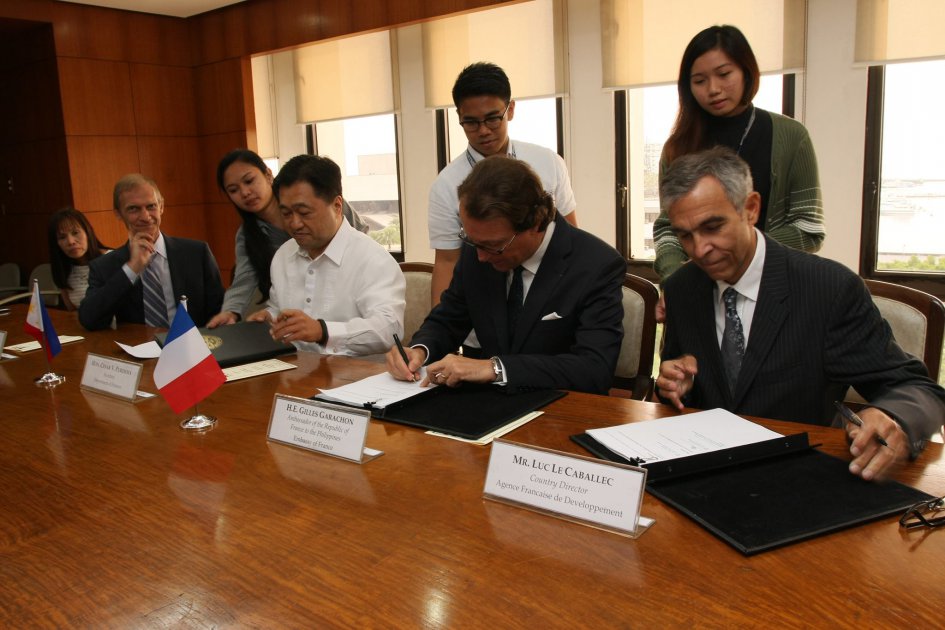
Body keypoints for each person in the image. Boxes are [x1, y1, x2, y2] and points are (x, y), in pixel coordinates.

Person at [655, 147, 945, 481]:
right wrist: (677, 385)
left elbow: (918, 389)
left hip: (800, 478)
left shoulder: (828, 289)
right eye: (685, 235)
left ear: (750, 208)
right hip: (704, 476)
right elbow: (682, 384)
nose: (699, 249)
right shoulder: (681, 289)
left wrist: (892, 416)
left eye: (713, 227)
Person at [388, 157, 624, 395]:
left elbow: (594, 369)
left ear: (537, 223)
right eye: (471, 240)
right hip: (487, 403)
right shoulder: (478, 248)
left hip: (560, 405)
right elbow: (449, 319)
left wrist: (496, 368)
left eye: (495, 246)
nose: (481, 256)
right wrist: (420, 350)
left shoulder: (596, 265)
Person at [653, 24, 824, 283]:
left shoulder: (791, 136)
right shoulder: (677, 146)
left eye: (724, 74)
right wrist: (675, 277)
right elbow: (669, 226)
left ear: (746, 72)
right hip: (698, 285)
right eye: (699, 81)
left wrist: (741, 254)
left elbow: (808, 227)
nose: (713, 89)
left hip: (774, 282)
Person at [428, 61, 578, 309]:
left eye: (492, 119)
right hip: (484, 303)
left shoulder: (548, 162)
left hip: (547, 296)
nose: (483, 131)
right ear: (459, 118)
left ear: (510, 110)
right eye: (471, 122)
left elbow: (570, 238)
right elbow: (447, 261)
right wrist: (437, 325)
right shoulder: (446, 185)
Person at [246, 154, 405, 356]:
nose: (295, 223)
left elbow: (389, 330)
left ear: (337, 206)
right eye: (286, 213)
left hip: (356, 371)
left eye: (304, 213)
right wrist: (270, 317)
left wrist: (323, 331)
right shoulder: (283, 255)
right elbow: (279, 308)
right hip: (296, 368)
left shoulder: (373, 259)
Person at [208, 149, 371, 328]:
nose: (245, 192)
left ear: (268, 175)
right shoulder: (247, 235)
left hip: (343, 303)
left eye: (249, 181)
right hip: (296, 318)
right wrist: (230, 311)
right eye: (233, 190)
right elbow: (244, 280)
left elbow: (360, 237)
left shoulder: (321, 200)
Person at [79, 174, 225, 330]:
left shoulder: (196, 253)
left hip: (193, 343)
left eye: (151, 206)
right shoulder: (104, 266)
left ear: (161, 206)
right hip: (138, 345)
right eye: (133, 209)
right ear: (118, 213)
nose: (145, 216)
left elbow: (219, 310)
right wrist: (132, 268)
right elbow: (89, 320)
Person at [47, 207, 110, 311]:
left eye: (75, 233)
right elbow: (72, 312)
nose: (70, 241)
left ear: (87, 232)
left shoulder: (111, 259)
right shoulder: (63, 270)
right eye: (62, 237)